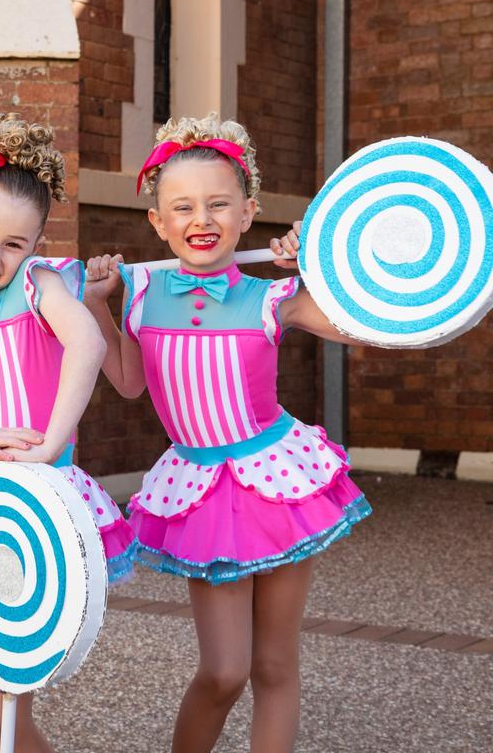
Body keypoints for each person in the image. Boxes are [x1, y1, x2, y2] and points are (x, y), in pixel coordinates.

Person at [84, 113, 371, 752]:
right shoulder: (141, 291)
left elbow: (360, 323)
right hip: (200, 492)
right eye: (181, 207)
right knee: (223, 671)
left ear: (248, 213)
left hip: (277, 483)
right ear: (157, 222)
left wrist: (319, 264)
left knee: (272, 667)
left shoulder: (273, 298)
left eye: (219, 204)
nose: (201, 219)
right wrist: (99, 304)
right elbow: (130, 382)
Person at [0, 112, 136, 753]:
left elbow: (89, 341)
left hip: (35, 508)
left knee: (0, 712)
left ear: (37, 246)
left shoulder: (40, 288)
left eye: (13, 244)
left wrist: (49, 445)